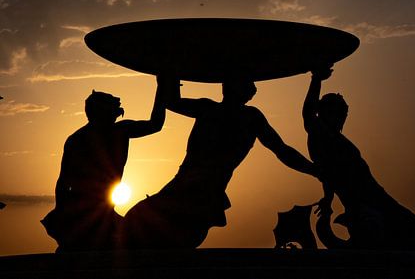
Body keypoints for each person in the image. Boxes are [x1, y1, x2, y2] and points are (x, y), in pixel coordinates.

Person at [123, 79, 318, 249]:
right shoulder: (211, 109)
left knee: (150, 228)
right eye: (247, 83)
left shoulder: (248, 117)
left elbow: (281, 150)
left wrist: (313, 170)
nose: (253, 88)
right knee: (138, 224)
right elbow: (172, 102)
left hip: (205, 190)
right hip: (188, 185)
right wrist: (169, 76)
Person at [304, 66, 415, 252]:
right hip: (363, 204)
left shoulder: (336, 139)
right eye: (332, 112)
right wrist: (316, 79)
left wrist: (328, 198)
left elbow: (328, 175)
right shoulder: (320, 135)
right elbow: (309, 116)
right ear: (322, 112)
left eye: (341, 114)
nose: (337, 118)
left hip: (376, 197)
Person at [41, 78, 170, 251]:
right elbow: (64, 180)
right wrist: (63, 211)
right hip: (85, 207)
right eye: (112, 107)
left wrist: (162, 89)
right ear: (101, 111)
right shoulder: (81, 139)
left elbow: (155, 125)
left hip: (102, 207)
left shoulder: (118, 131)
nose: (118, 110)